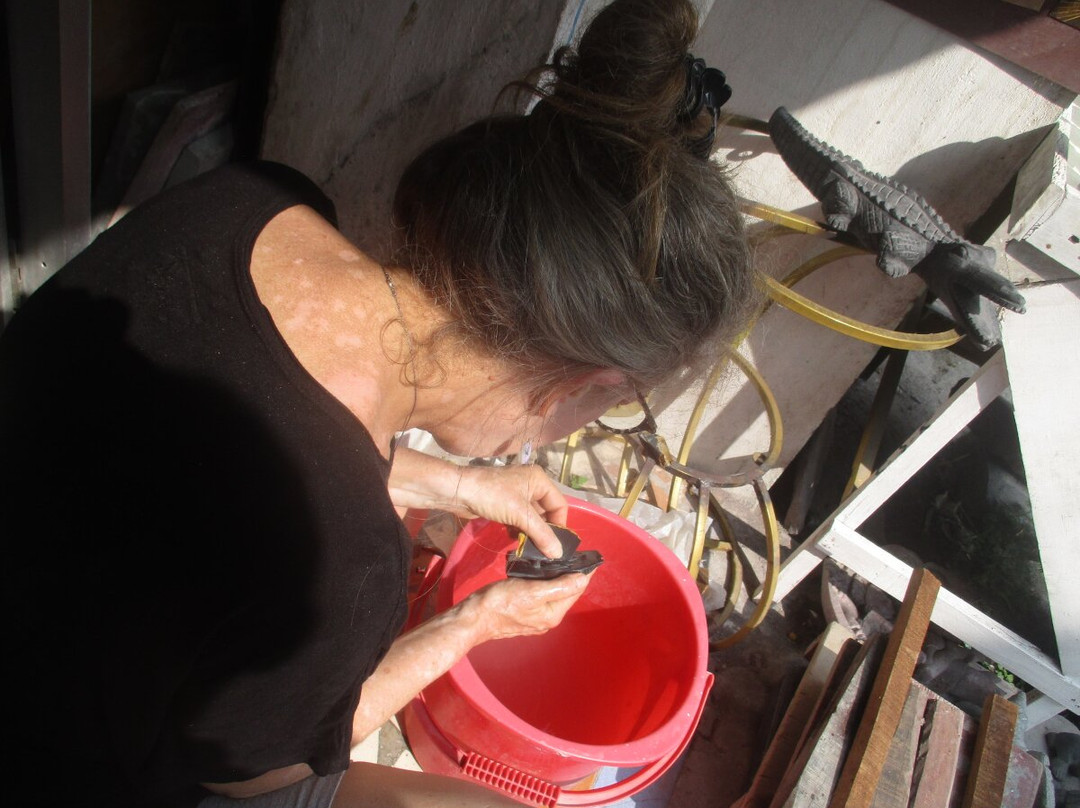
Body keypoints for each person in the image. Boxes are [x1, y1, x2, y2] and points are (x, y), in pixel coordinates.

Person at [0, 0, 755, 805]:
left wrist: (458, 485)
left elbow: (244, 443)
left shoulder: (260, 199)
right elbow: (262, 778)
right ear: (585, 384)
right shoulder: (343, 570)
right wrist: (473, 623)